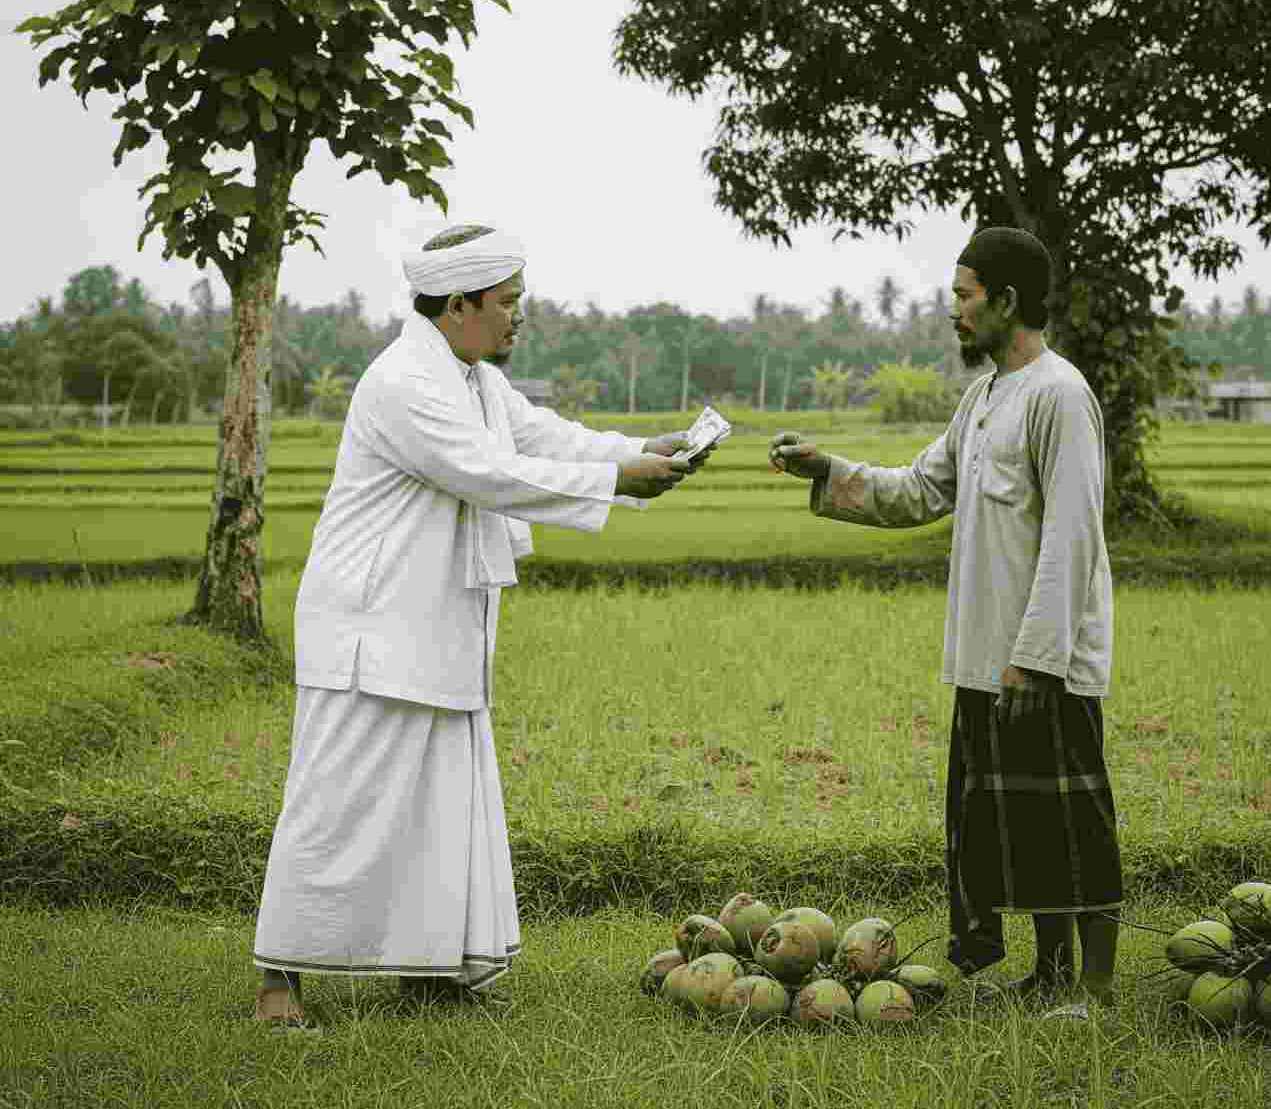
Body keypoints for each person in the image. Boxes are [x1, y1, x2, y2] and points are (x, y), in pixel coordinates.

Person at [253, 224, 708, 1028]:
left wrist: (644, 449)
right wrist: (617, 478)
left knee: (436, 808)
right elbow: (489, 472)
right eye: (508, 304)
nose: (517, 318)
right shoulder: (403, 382)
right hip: (371, 626)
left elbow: (542, 436)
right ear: (456, 305)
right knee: (334, 802)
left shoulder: (473, 381)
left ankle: (426, 969)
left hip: (438, 622)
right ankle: (277, 980)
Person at [768, 227, 1121, 1019]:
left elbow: (1071, 534)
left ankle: (1093, 989)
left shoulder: (1060, 395)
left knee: (1070, 822)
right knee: (1014, 826)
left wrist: (1036, 657)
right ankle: (1050, 973)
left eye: (964, 296)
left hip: (1039, 659)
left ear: (1006, 300)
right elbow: (918, 489)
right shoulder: (985, 397)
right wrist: (829, 469)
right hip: (982, 656)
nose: (954, 311)